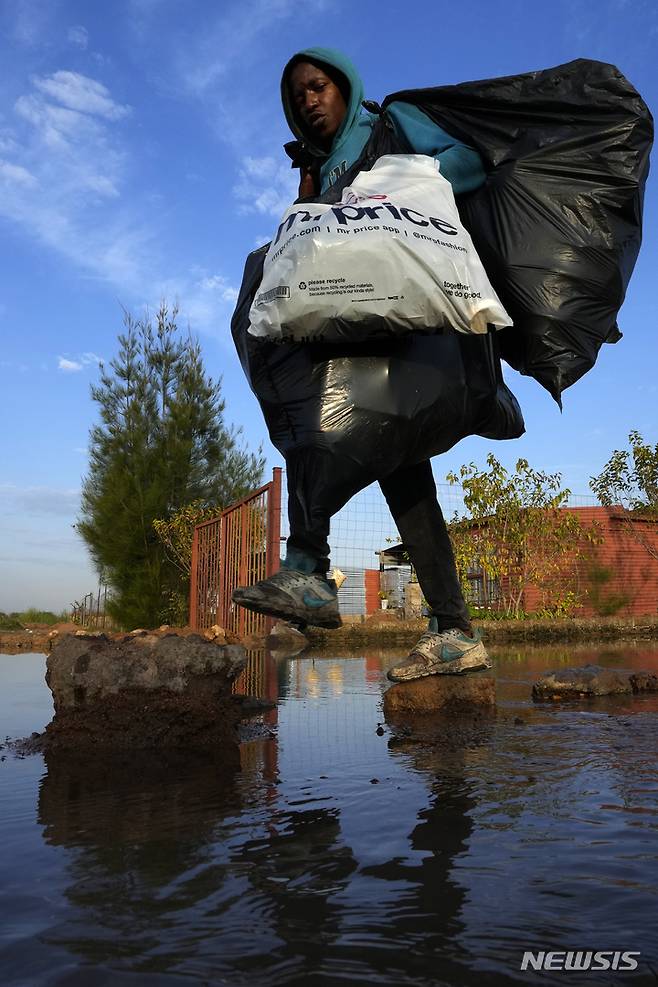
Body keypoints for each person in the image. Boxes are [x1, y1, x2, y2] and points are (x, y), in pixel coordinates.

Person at [233, 47, 491, 682]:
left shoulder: (392, 124)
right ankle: (455, 632)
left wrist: (391, 190)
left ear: (344, 87)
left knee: (316, 425)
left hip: (409, 340)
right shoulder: (318, 169)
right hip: (359, 341)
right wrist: (312, 192)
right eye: (297, 98)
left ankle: (308, 569)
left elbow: (469, 165)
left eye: (317, 87)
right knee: (405, 479)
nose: (309, 102)